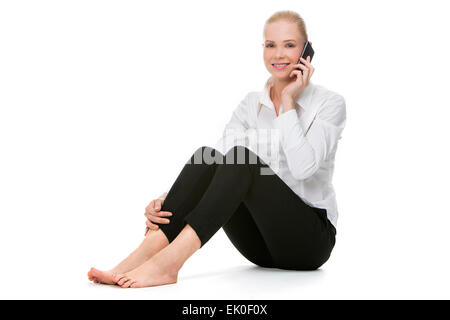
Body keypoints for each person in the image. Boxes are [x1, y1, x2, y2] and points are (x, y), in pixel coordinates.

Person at [87, 10, 346, 288]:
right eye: (271, 45)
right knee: (206, 156)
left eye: (290, 45)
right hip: (259, 247)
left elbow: (302, 168)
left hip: (307, 243)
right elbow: (219, 164)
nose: (279, 54)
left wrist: (287, 103)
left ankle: (168, 264)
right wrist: (171, 199)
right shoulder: (250, 104)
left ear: (306, 51)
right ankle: (140, 256)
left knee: (242, 159)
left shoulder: (330, 104)